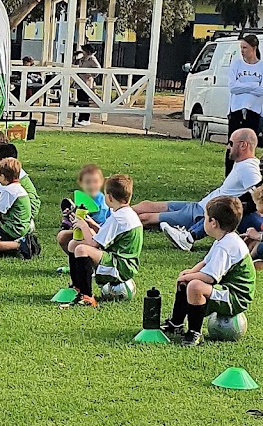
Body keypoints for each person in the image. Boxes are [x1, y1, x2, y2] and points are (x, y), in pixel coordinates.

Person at [161, 196, 256, 346]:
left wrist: (190, 277)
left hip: (236, 296)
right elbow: (206, 262)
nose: (203, 221)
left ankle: (194, 333)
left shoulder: (227, 245)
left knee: (195, 286)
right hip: (226, 289)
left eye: (204, 218)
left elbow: (210, 277)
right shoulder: (223, 239)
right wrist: (188, 273)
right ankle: (176, 324)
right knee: (186, 281)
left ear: (213, 223)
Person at [136, 128, 260, 241]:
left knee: (146, 218)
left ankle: (121, 220)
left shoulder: (249, 168)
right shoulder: (242, 164)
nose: (228, 147)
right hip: (198, 206)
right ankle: (118, 210)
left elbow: (259, 196)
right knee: (146, 205)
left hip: (201, 215)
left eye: (231, 143)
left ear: (243, 145)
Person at [60, 174, 142, 308]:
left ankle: (87, 297)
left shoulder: (118, 218)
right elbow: (107, 235)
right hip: (121, 262)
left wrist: (83, 226)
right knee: (74, 243)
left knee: (81, 249)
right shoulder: (126, 213)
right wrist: (91, 224)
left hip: (121, 266)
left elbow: (93, 243)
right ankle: (77, 288)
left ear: (109, 197)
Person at [225, 34, 263, 174]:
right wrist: (253, 86)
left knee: (248, 146)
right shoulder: (236, 64)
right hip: (236, 110)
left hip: (254, 111)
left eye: (245, 48)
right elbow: (233, 87)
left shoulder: (261, 67)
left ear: (254, 48)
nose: (242, 51)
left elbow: (262, 90)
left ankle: (246, 175)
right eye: (241, 47)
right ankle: (229, 176)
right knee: (233, 143)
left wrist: (244, 85)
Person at [56, 164, 111, 254]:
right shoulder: (83, 199)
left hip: (100, 236)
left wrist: (81, 220)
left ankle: (87, 265)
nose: (92, 185)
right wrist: (72, 215)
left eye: (95, 181)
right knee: (62, 236)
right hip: (83, 230)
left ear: (101, 182)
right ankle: (74, 264)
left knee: (74, 244)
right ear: (81, 183)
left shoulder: (102, 202)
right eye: (88, 182)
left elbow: (99, 228)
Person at [75, 43, 101, 126]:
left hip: (86, 82)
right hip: (80, 81)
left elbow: (98, 69)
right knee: (80, 100)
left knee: (85, 100)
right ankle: (81, 118)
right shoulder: (82, 59)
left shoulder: (92, 59)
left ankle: (86, 118)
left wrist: (90, 74)